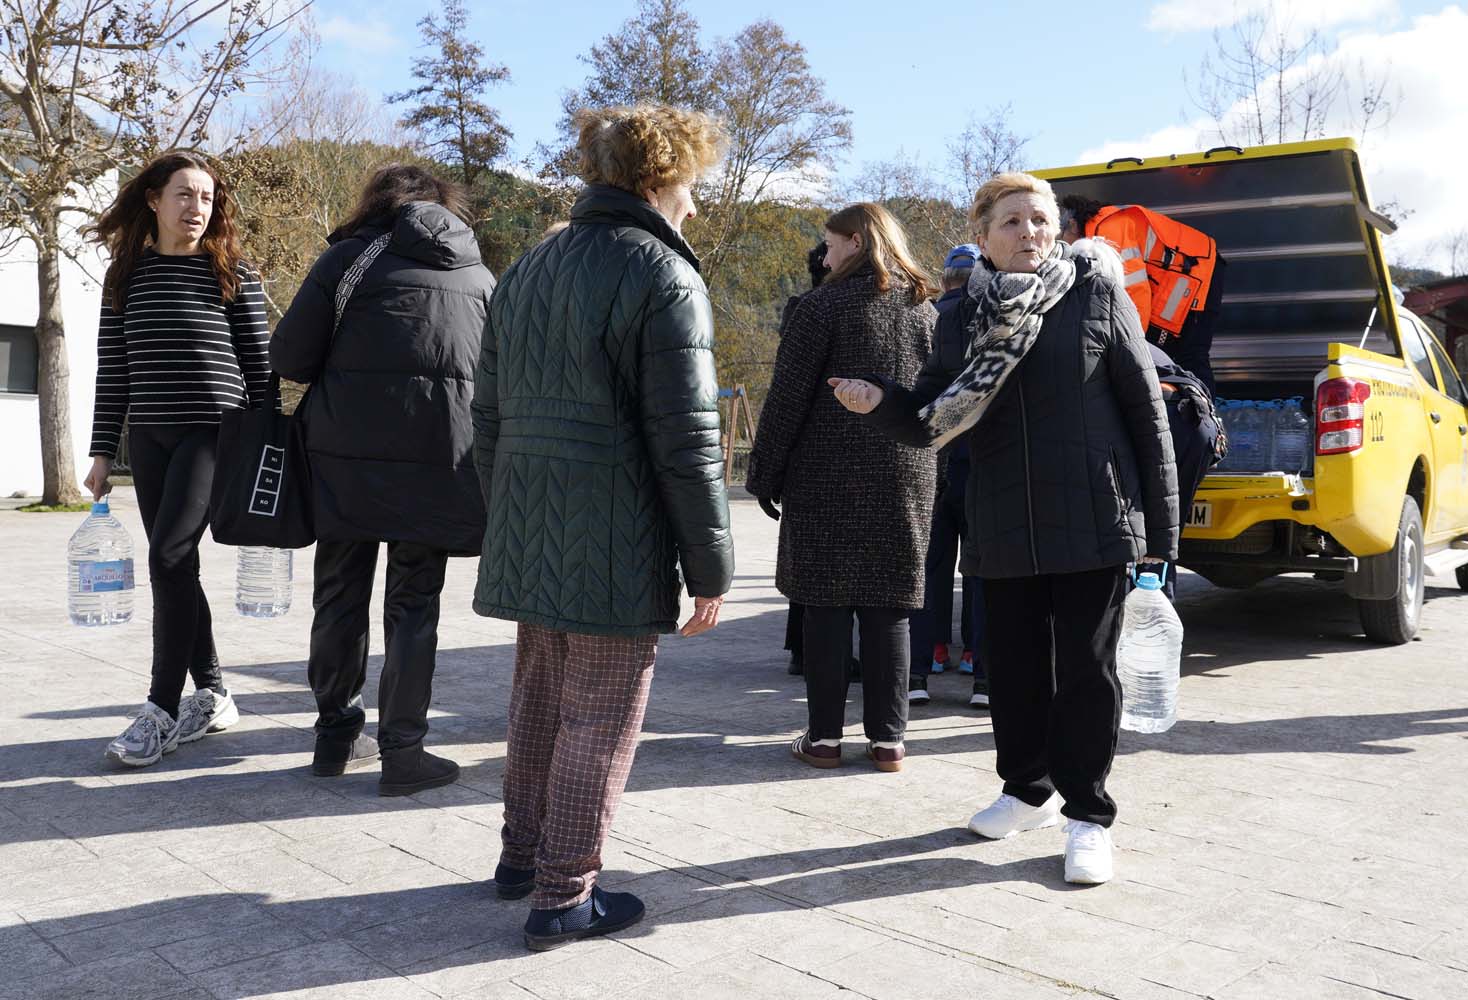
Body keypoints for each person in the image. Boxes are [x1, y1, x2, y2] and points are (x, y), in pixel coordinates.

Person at [833, 172, 1179, 884]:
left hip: (1094, 518)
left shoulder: (1094, 294)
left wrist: (1161, 533)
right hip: (1000, 519)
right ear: (985, 236)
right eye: (1014, 222)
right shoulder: (959, 315)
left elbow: (1147, 414)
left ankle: (1087, 815)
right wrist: (880, 401)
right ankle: (1028, 790)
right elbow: (934, 414)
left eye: (1042, 220)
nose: (1031, 233)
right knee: (1014, 670)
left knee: (1086, 673)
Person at [474, 105, 734, 951]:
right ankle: (562, 894)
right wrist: (712, 563)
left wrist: (507, 507)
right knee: (601, 715)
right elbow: (688, 440)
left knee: (539, 701)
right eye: (690, 187)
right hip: (613, 533)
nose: (695, 205)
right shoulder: (663, 274)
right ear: (661, 180)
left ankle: (520, 859)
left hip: (529, 521)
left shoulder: (531, 264)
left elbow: (486, 414)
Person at [270, 165, 494, 796]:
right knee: (415, 603)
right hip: (443, 459)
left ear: (377, 202)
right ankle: (404, 753)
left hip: (345, 459)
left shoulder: (350, 259)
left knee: (339, 593)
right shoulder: (480, 276)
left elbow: (289, 357)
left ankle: (335, 736)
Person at [84, 151, 266, 767]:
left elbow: (262, 376)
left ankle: (160, 709)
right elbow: (115, 372)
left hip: (215, 432)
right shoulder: (125, 276)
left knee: (167, 556)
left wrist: (266, 452)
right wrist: (102, 453)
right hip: (152, 439)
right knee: (176, 566)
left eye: (207, 199)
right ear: (154, 200)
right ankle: (213, 693)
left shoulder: (235, 272)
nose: (197, 209)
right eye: (184, 195)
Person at [747, 203, 937, 775]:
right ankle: (889, 743)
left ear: (854, 242)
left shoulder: (819, 307)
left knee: (825, 606)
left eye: (828, 244)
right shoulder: (925, 312)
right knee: (891, 609)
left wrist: (764, 474)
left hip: (824, 473)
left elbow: (787, 400)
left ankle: (825, 740)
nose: (824, 255)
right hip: (907, 474)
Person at [909, 244, 986, 709]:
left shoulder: (925, 318)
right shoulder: (994, 320)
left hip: (931, 462)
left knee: (930, 569)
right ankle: (980, 662)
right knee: (980, 569)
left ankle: (923, 664)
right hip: (980, 464)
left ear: (945, 279)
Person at [1058, 194, 1224, 391]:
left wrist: (1132, 344)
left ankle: (1205, 417)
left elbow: (1133, 293)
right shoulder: (1104, 224)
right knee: (1175, 357)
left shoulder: (1106, 230)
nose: (1064, 250)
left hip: (1201, 271)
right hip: (1192, 273)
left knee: (1190, 356)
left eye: (1061, 241)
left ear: (1073, 224)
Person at [782, 240, 830, 677]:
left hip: (801, 449)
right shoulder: (819, 310)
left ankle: (800, 646)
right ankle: (808, 649)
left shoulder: (799, 307)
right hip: (819, 447)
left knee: (805, 559)